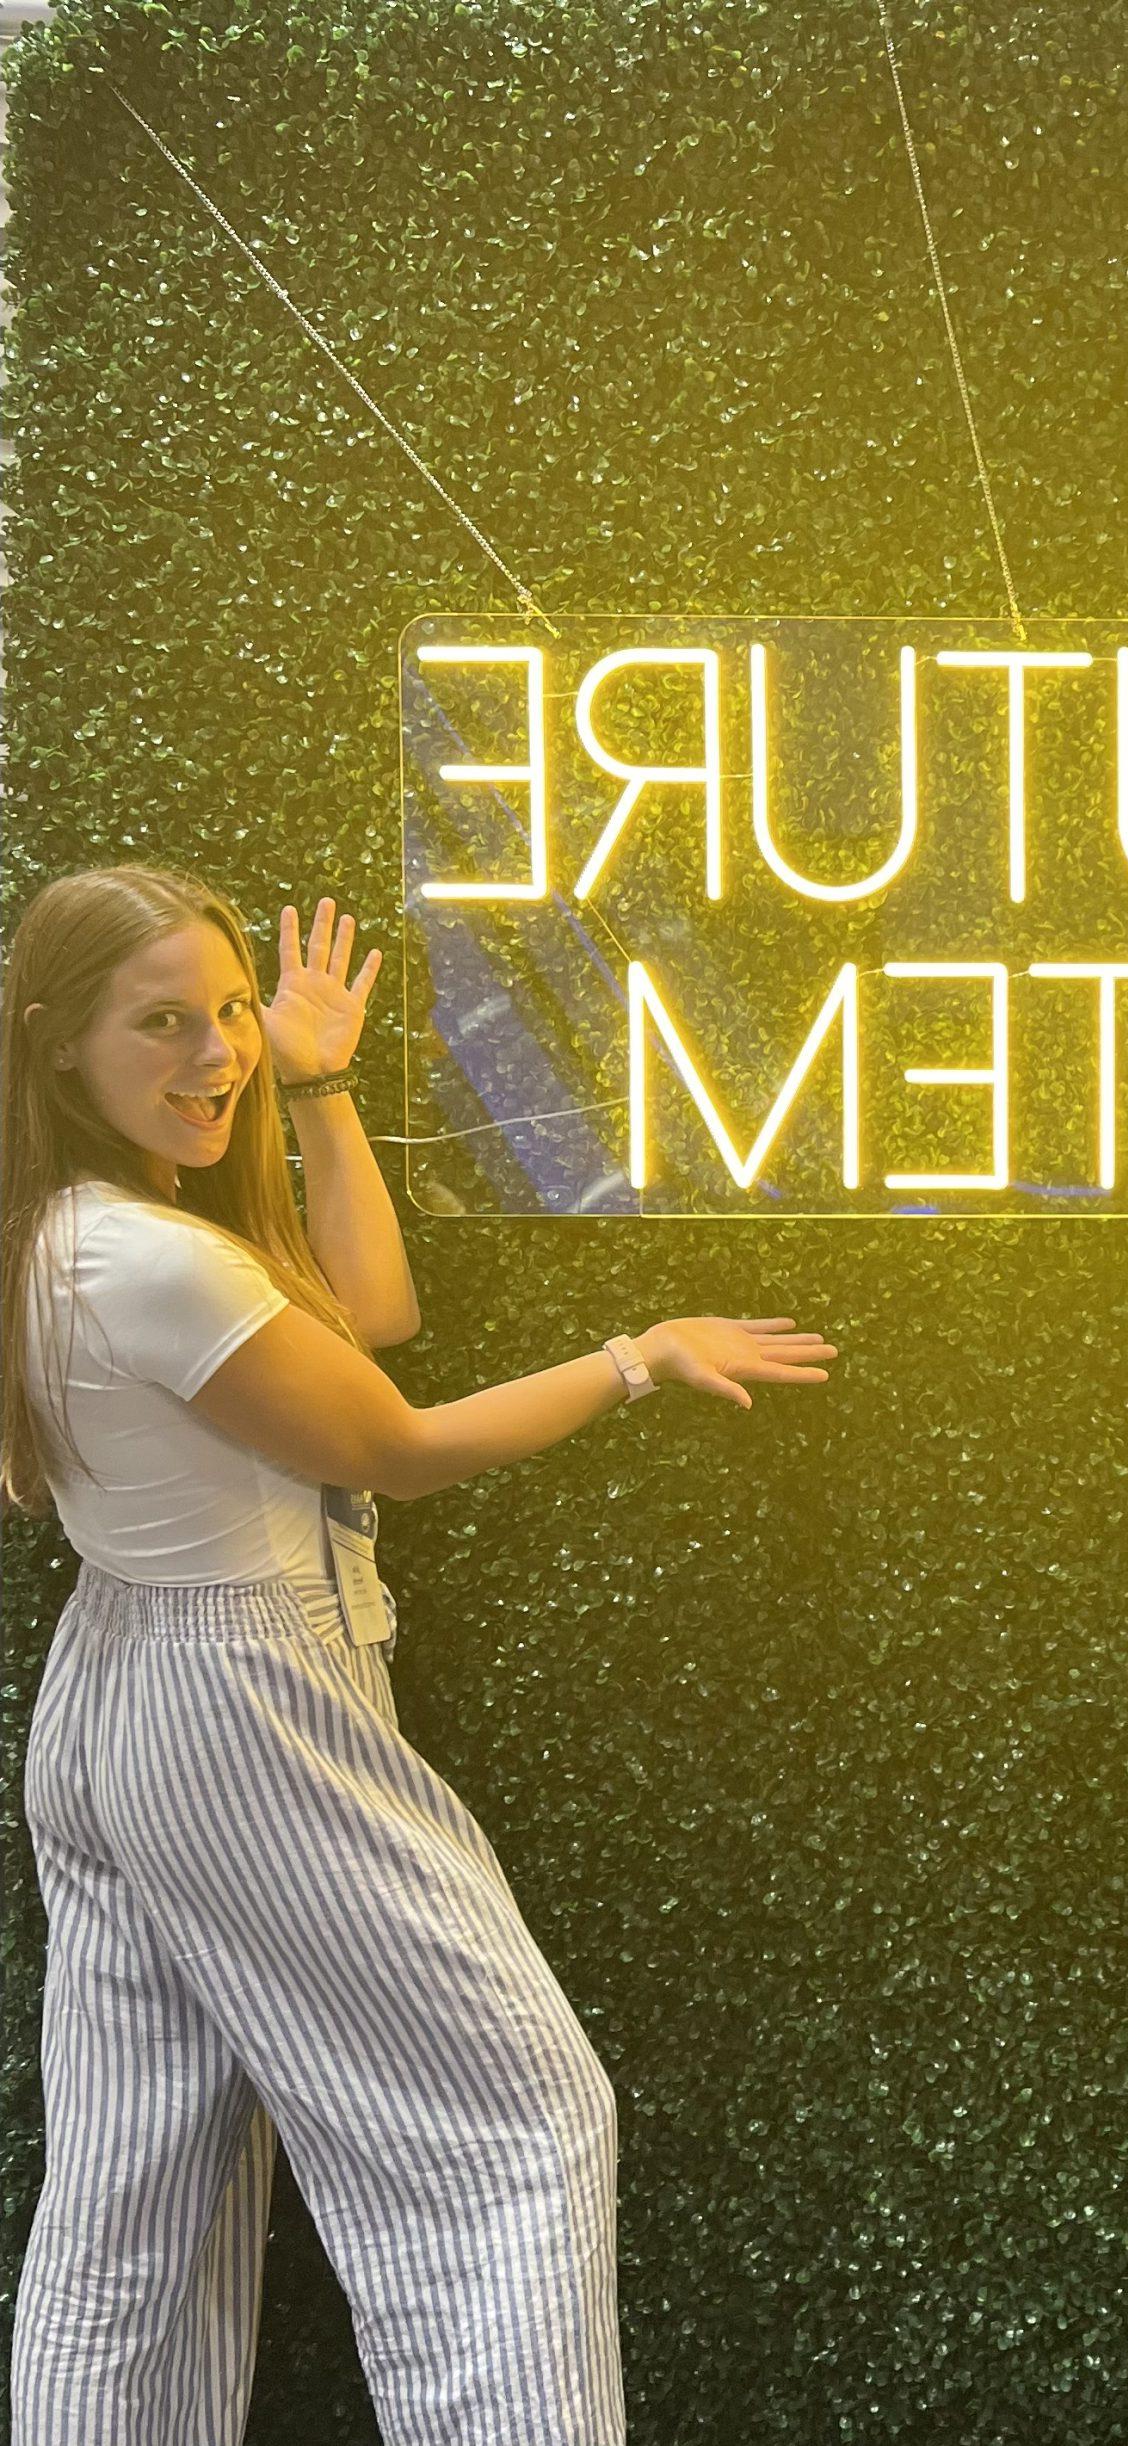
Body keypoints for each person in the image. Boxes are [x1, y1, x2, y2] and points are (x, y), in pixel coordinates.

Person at [4, 865, 836, 2445]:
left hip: (125, 1699)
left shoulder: (71, 1233)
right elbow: (391, 1443)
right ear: (57, 1046)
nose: (215, 1053)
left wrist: (317, 1088)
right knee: (515, 2123)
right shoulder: (148, 1259)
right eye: (163, 1020)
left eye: (233, 1010)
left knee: (136, 2204)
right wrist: (637, 1354)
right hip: (245, 1709)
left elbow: (364, 1311)